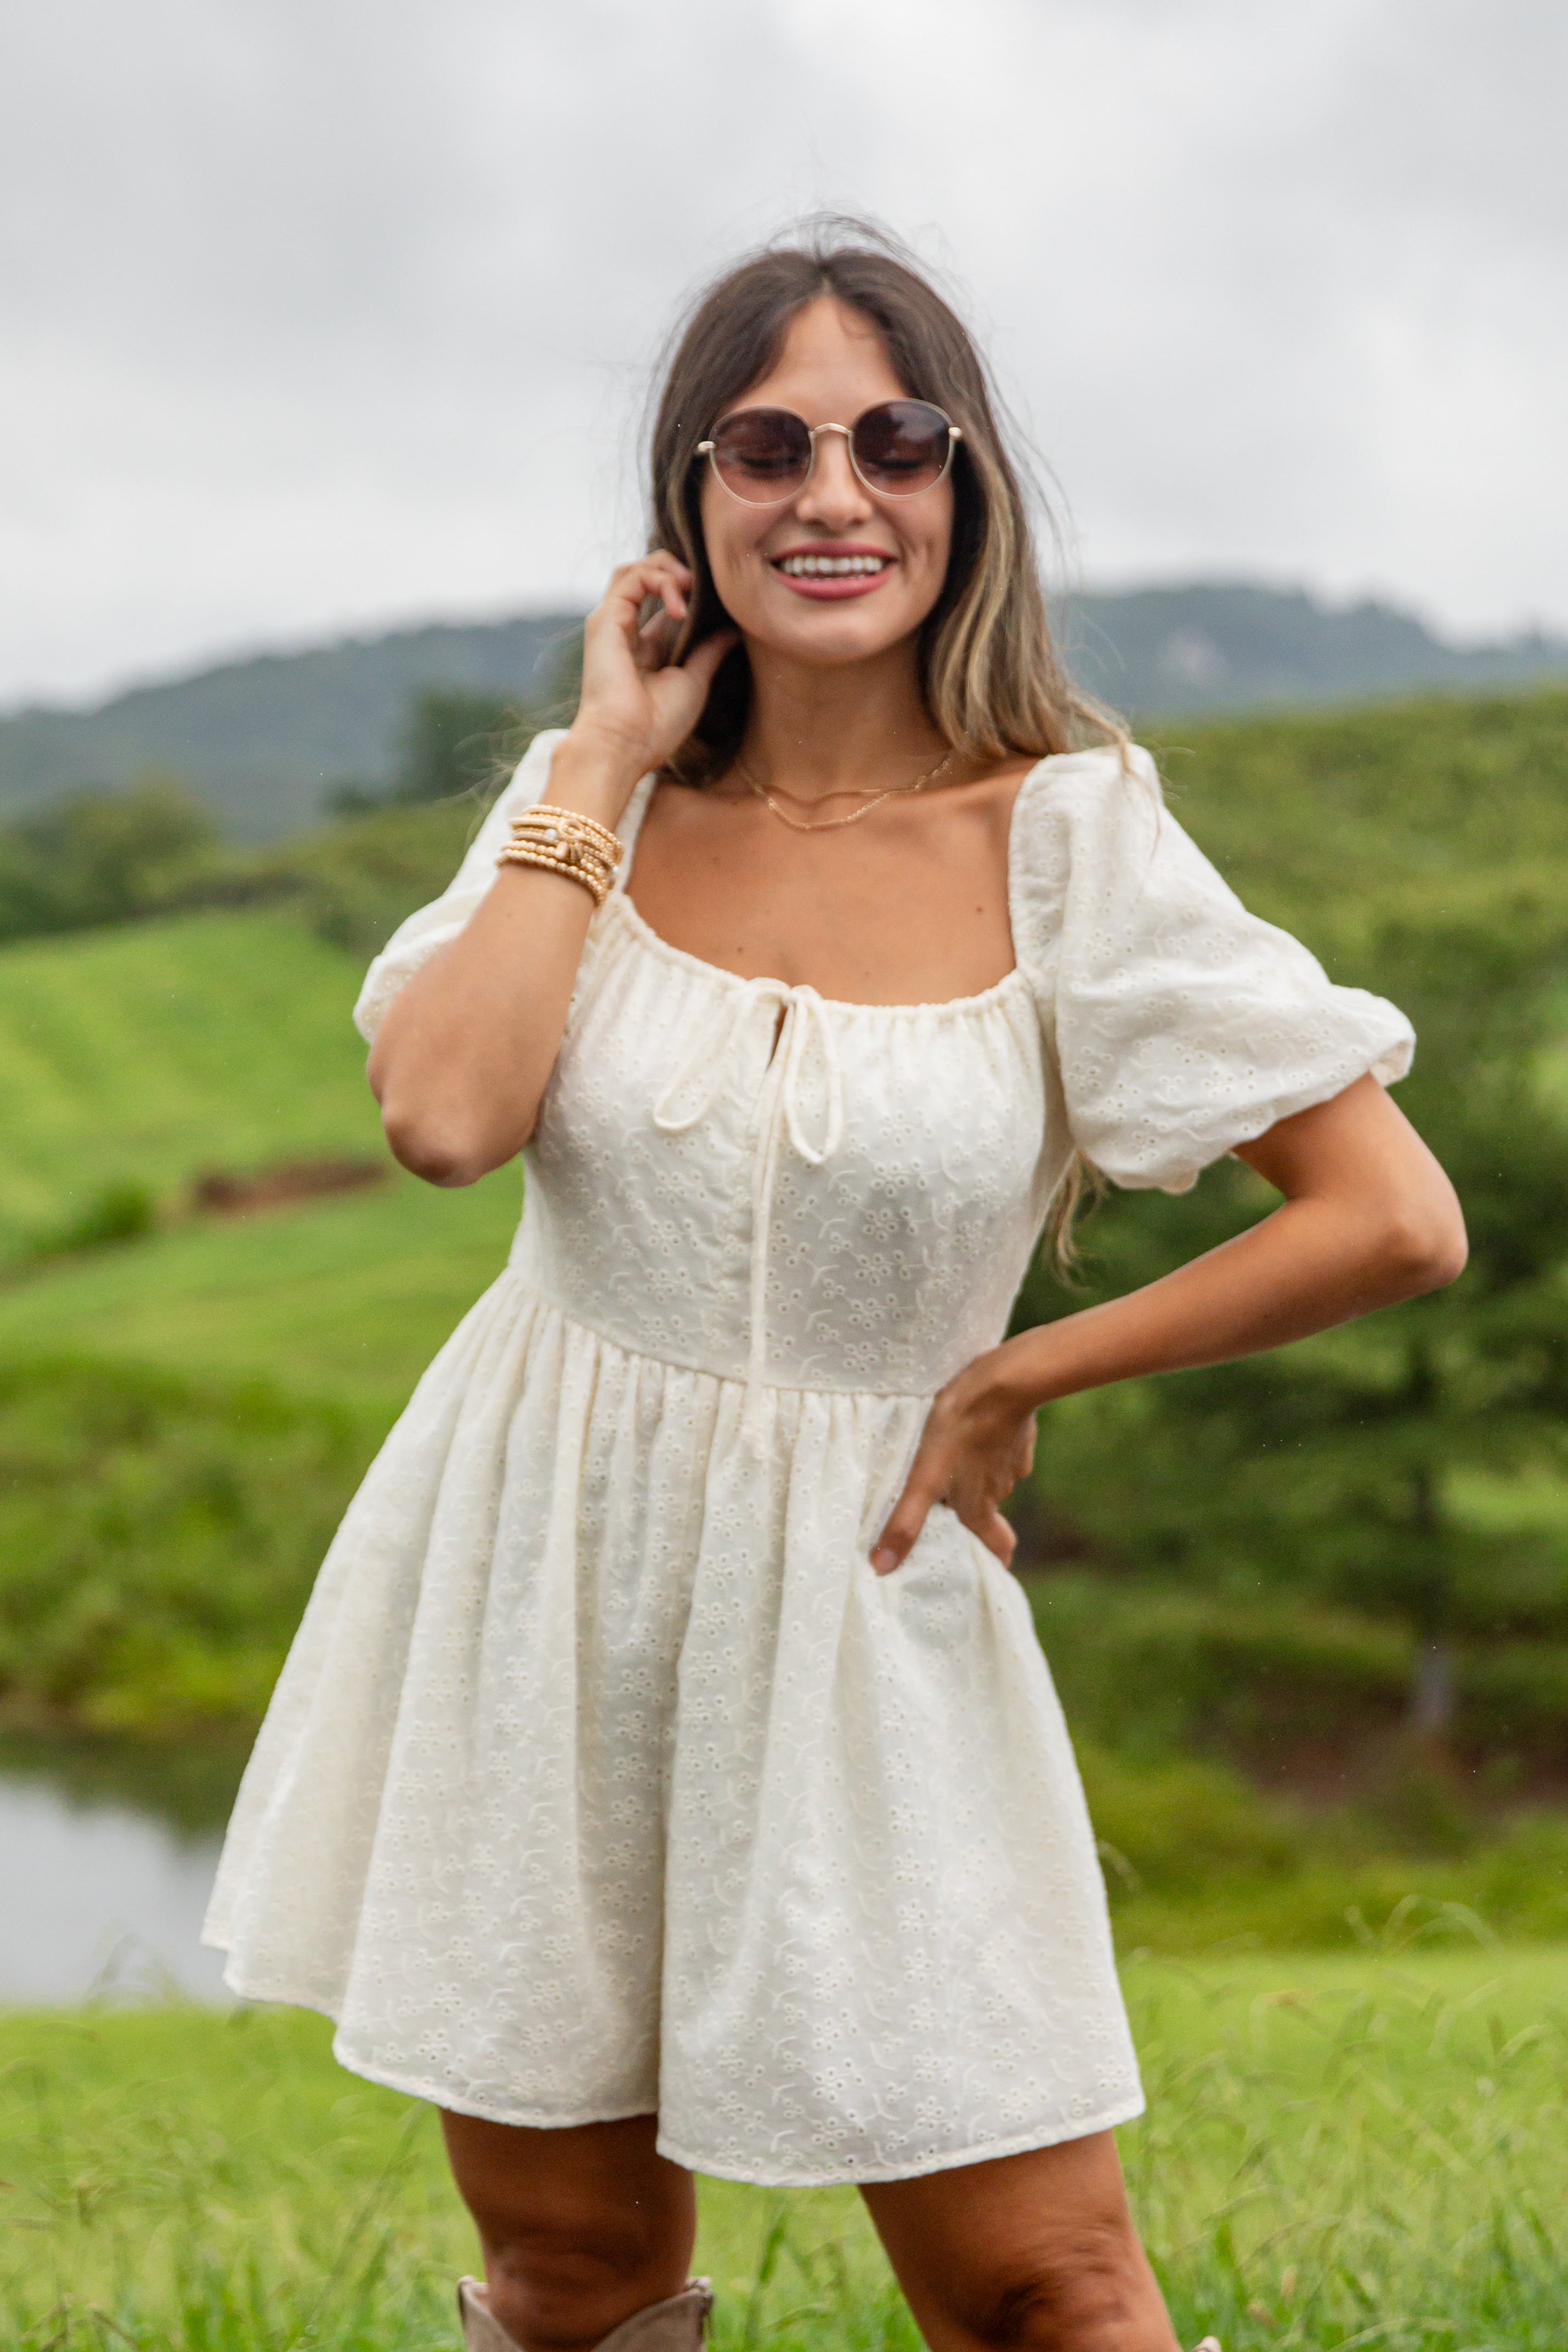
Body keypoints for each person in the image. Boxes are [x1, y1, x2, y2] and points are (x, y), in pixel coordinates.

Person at [203, 226, 1466, 2352]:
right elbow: (440, 1113)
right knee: (573, 2272)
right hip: (547, 1570)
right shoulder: (580, 805)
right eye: (765, 445)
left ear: (963, 487)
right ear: (687, 502)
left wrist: (1014, 1369)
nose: (831, 493)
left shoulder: (1067, 831)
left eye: (895, 438)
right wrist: (601, 761)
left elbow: (1387, 1213)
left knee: (1045, 2281)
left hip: (872, 1595)